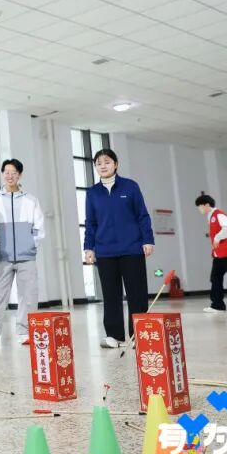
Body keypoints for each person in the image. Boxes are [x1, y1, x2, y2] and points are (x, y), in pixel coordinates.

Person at [83, 149, 155, 349]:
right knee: (110, 294)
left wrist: (148, 240)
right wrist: (89, 247)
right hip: (105, 251)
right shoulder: (92, 193)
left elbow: (142, 215)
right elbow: (90, 223)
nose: (103, 166)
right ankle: (114, 336)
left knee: (137, 294)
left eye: (107, 162)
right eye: (98, 163)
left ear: (116, 164)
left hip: (132, 249)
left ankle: (138, 335)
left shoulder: (130, 186)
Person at [0, 159, 45, 345]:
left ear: (20, 175)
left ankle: (25, 332)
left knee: (28, 296)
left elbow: (39, 227)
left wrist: (30, 245)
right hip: (3, 256)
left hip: (26, 257)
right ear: (2, 174)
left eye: (14, 172)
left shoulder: (31, 200)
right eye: (6, 172)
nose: (10, 176)